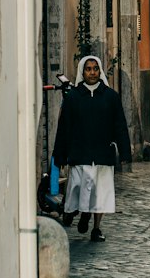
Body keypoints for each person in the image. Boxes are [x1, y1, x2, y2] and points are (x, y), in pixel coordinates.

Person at [53, 54, 132, 242]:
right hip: (80, 152)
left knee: (101, 193)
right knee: (78, 188)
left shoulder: (111, 97)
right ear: (83, 71)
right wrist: (61, 155)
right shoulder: (73, 98)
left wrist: (124, 152)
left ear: (100, 71)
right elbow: (64, 128)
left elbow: (119, 124)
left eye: (95, 69)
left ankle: (96, 228)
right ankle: (80, 213)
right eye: (88, 69)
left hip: (103, 153)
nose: (92, 73)